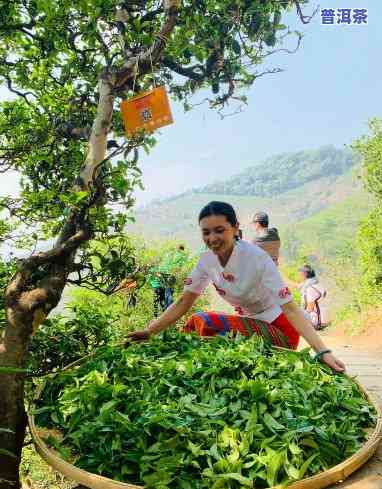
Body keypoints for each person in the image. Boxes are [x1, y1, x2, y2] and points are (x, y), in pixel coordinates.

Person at [129, 201, 345, 372]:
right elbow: (183, 302)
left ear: (235, 228)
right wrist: (150, 332)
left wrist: (323, 351)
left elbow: (290, 309)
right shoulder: (206, 261)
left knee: (205, 321)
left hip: (280, 332)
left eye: (219, 230)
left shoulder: (258, 259)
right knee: (196, 324)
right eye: (206, 232)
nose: (212, 238)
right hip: (250, 325)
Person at [299, 265, 328, 330]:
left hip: (317, 322)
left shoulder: (310, 288)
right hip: (323, 318)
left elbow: (310, 308)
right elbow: (296, 285)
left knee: (292, 312)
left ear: (305, 274)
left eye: (300, 272)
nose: (299, 274)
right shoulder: (315, 283)